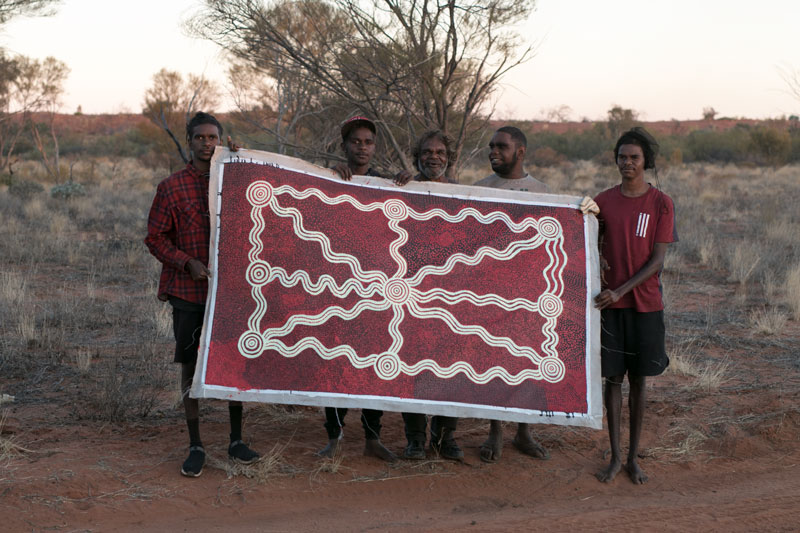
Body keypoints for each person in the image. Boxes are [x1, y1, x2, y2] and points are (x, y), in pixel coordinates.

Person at [473, 126, 599, 464]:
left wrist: (586, 213)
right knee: (494, 362)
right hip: (490, 292)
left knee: (528, 363)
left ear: (521, 152)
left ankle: (525, 431)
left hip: (530, 293)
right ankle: (495, 431)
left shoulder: (542, 192)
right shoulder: (478, 189)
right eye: (491, 147)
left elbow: (554, 237)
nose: (493, 152)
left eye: (501, 147)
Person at [145, 112, 260, 477]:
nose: (207, 144)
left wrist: (244, 159)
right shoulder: (171, 187)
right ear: (189, 140)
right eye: (200, 138)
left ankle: (236, 441)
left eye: (213, 138)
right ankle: (196, 444)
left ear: (220, 140)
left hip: (233, 291)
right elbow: (155, 238)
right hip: (188, 292)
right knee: (191, 368)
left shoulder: (237, 179)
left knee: (234, 364)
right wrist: (186, 262)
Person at [318, 116, 410, 462]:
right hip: (338, 286)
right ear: (344, 146)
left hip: (377, 288)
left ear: (375, 146)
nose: (362, 147)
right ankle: (334, 435)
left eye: (368, 142)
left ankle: (373, 437)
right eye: (355, 141)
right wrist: (328, 177)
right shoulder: (328, 179)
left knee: (375, 364)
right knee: (336, 362)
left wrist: (406, 185)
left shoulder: (384, 183)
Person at [593, 127, 676, 484]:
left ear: (646, 162)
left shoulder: (661, 203)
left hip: (644, 305)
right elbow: (585, 244)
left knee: (639, 381)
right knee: (613, 380)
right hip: (610, 307)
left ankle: (632, 458)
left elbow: (657, 261)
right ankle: (613, 457)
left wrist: (620, 290)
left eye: (634, 158)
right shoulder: (603, 201)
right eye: (622, 157)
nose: (627, 163)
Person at [401, 129, 462, 461]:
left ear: (449, 157)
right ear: (417, 157)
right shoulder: (405, 189)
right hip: (411, 292)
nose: (433, 157)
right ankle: (414, 438)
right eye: (427, 152)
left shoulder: (464, 194)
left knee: (450, 366)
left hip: (453, 294)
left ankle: (445, 436)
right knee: (412, 364)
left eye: (440, 152)